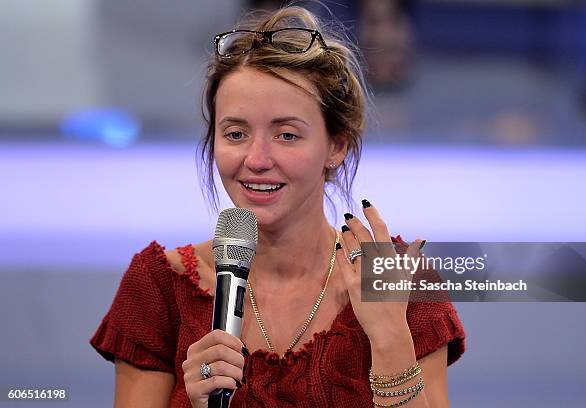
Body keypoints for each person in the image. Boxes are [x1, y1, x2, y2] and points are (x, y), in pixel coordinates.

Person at [90, 5, 465, 407]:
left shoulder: (398, 280)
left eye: (286, 135)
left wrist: (391, 342)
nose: (256, 158)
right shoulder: (160, 287)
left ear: (336, 145)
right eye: (235, 133)